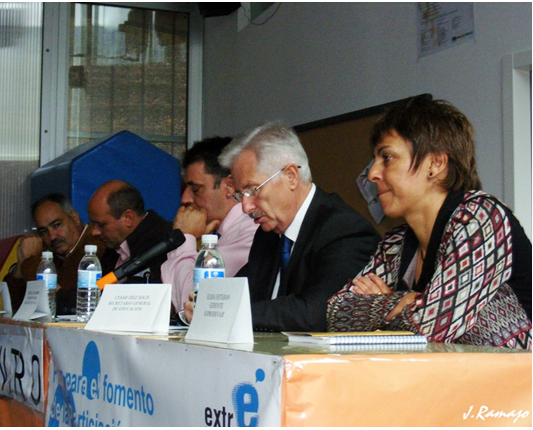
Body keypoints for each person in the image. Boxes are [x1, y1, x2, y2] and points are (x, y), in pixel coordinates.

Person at [327, 97, 532, 349]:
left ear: (435, 164)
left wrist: (386, 303)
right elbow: (336, 313)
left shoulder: (479, 218)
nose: (372, 174)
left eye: (387, 157)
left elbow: (432, 327)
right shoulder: (397, 242)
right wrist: (402, 302)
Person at [184, 123, 381, 331]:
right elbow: (241, 295)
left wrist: (228, 312)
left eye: (253, 190)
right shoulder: (268, 234)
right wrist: (206, 307)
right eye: (241, 195)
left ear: (291, 176)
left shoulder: (345, 230)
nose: (246, 207)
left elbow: (317, 312)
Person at [161, 137, 258, 312]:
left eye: (196, 189)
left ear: (229, 186)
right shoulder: (220, 232)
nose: (185, 199)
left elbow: (193, 302)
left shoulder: (248, 233)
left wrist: (184, 238)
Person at [3, 193, 105, 315]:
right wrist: (20, 266)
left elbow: (64, 301)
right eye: (43, 231)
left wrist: (30, 260)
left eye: (57, 225)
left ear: (75, 218)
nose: (52, 237)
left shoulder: (97, 244)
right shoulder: (53, 255)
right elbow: (15, 310)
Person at [87, 180, 173, 284]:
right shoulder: (115, 243)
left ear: (128, 218)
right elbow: (97, 286)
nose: (94, 232)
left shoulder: (162, 243)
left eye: (101, 225)